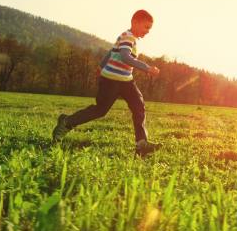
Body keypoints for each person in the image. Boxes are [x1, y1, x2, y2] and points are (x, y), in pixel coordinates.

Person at [52, 9, 160, 157]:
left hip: (126, 80)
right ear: (135, 22)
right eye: (146, 27)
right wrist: (147, 68)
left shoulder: (127, 37)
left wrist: (101, 65)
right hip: (111, 80)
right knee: (100, 110)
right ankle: (66, 122)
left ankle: (141, 144)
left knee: (139, 106)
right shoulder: (128, 37)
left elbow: (111, 51)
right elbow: (125, 57)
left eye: (150, 28)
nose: (148, 31)